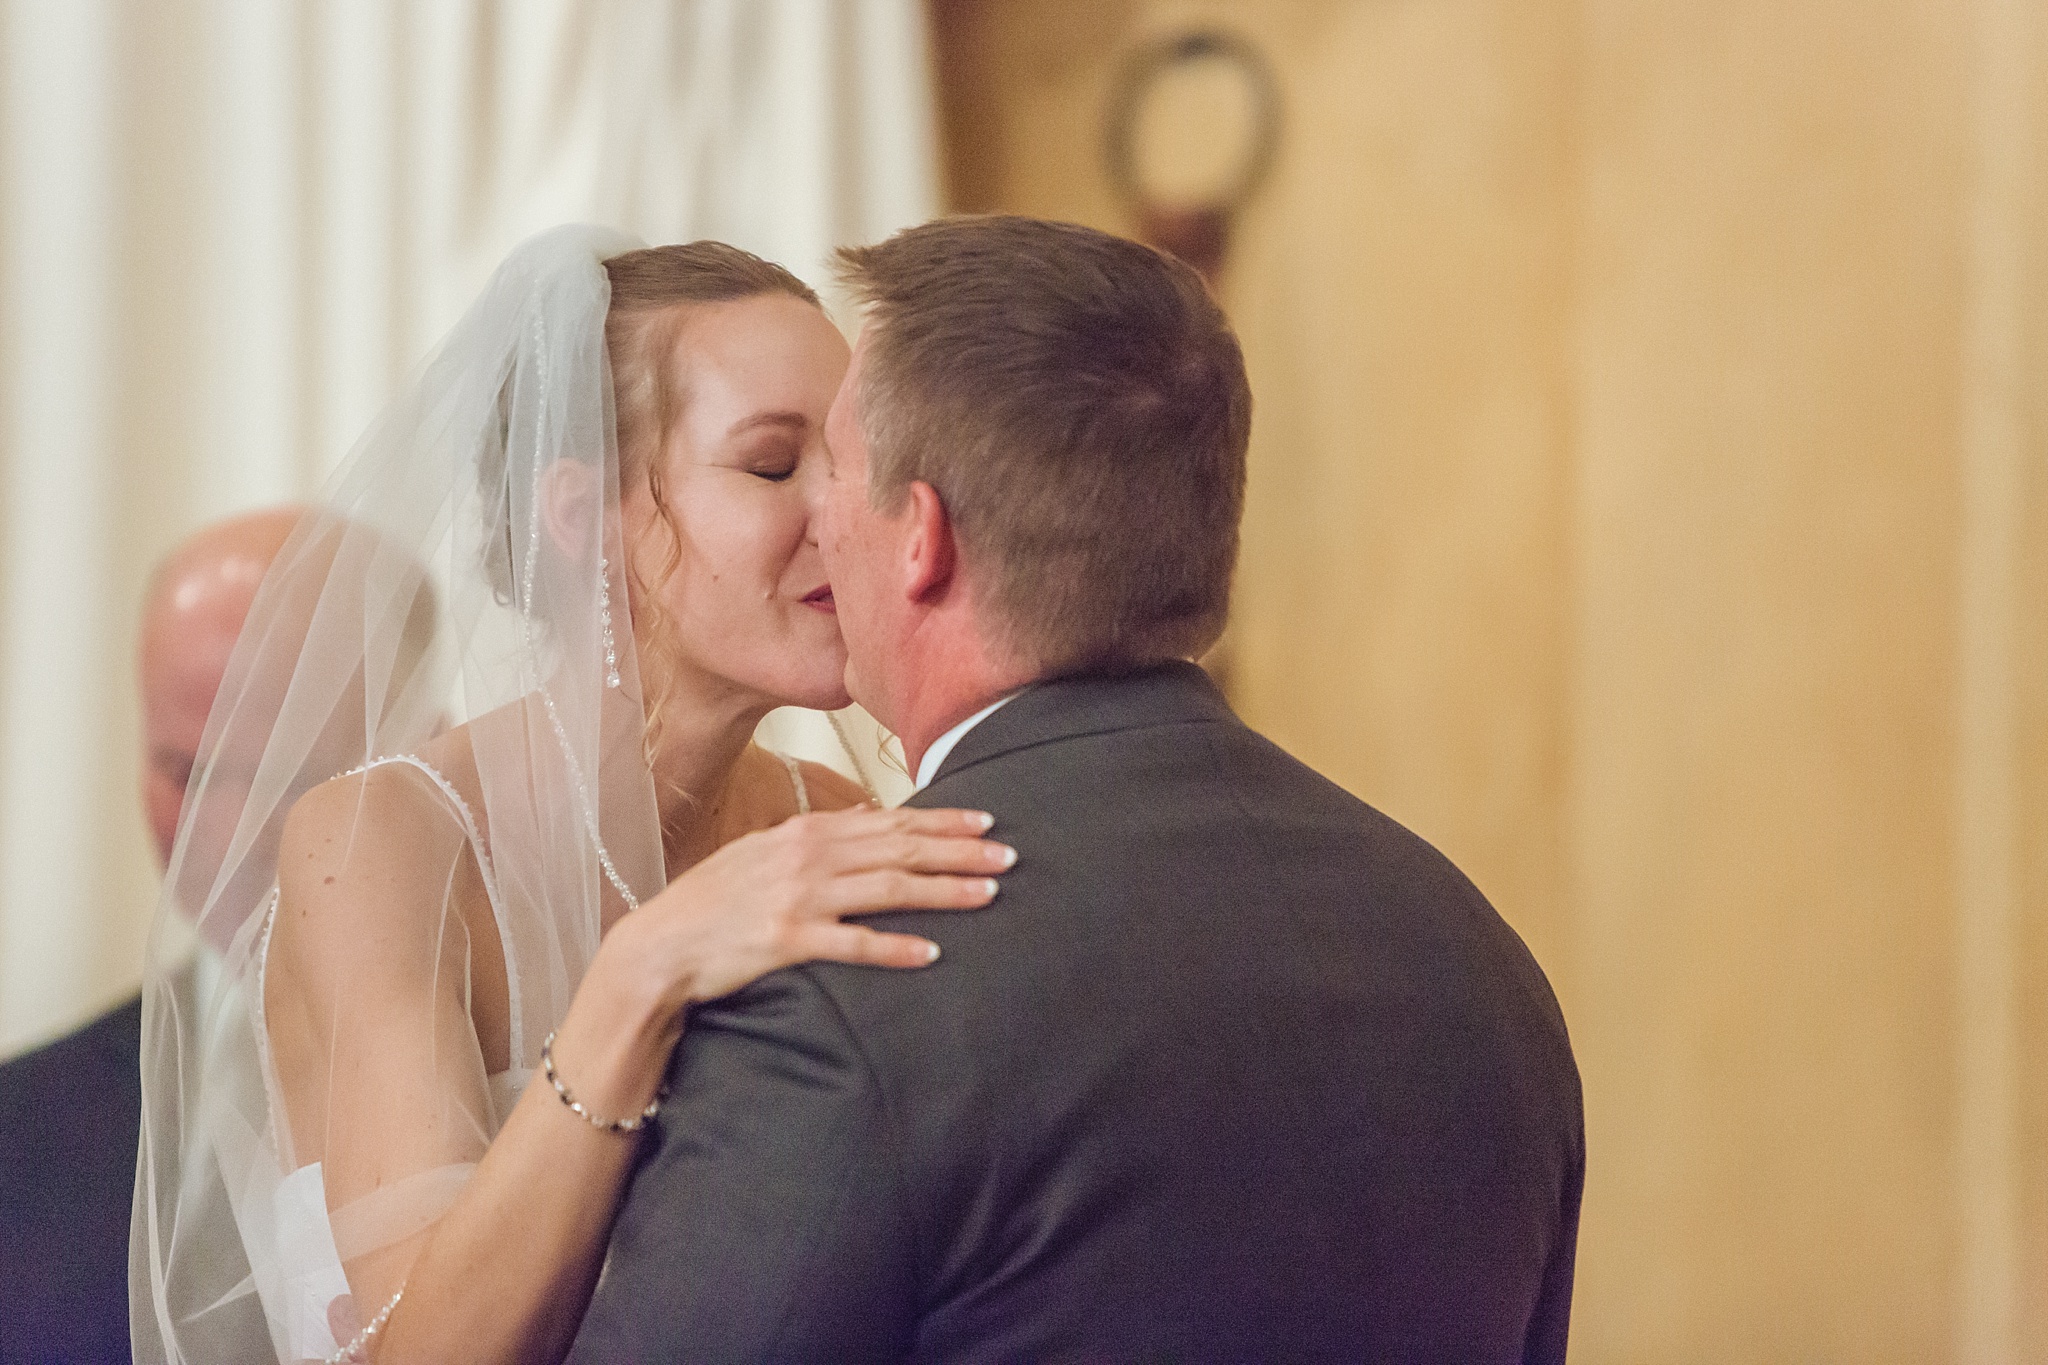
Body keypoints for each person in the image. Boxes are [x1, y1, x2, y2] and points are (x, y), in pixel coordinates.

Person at [568, 216, 1586, 1363]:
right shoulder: (1476, 961)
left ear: (922, 543)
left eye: (839, 475)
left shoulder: (849, 984)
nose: (815, 525)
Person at [131, 229, 1013, 1364]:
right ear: (577, 515)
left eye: (849, 466)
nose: (842, 518)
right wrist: (644, 970)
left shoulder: (835, 823)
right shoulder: (378, 846)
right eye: (769, 465)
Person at [0, 506, 301, 1363]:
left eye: (283, 767)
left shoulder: (555, 1080)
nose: (233, 829)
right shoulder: (20, 1125)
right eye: (188, 772)